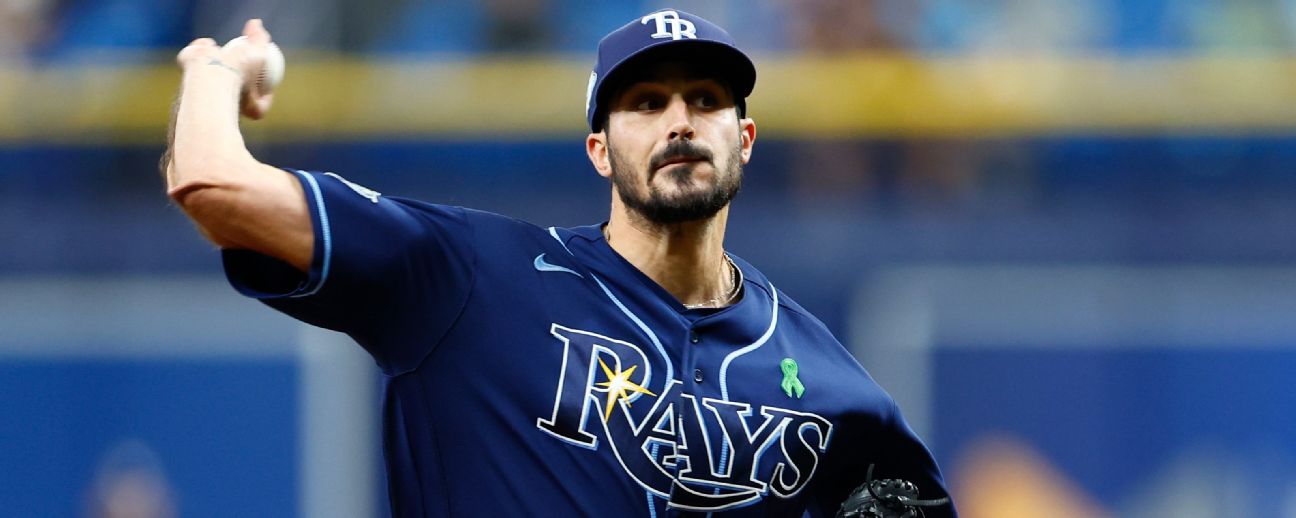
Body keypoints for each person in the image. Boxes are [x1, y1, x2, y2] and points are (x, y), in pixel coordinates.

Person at [162, 9, 956, 517]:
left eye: (707, 99)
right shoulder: (469, 280)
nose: (681, 120)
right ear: (600, 151)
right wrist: (215, 70)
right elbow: (210, 184)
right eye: (646, 104)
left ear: (742, 141)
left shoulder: (832, 386)